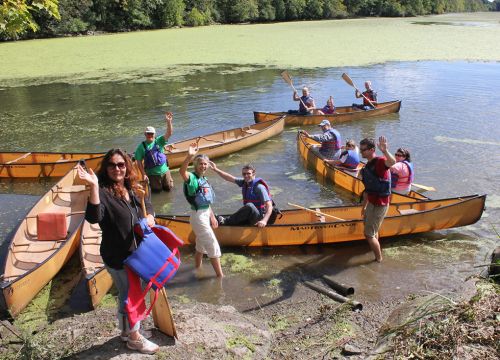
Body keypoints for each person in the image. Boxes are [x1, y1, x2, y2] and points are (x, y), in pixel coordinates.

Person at [77, 149, 159, 354]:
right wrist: (94, 185)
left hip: (136, 252)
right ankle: (134, 338)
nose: (117, 169)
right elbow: (94, 217)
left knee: (128, 293)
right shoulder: (103, 192)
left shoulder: (129, 186)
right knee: (131, 295)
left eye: (121, 164)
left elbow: (145, 202)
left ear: (127, 166)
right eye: (112, 165)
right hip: (118, 255)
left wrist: (151, 216)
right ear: (106, 168)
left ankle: (127, 331)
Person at [180, 143, 224, 278]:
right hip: (198, 216)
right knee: (212, 244)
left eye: (205, 164)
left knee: (201, 246)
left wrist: (212, 217)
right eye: (200, 164)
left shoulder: (204, 179)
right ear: (195, 165)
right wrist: (189, 156)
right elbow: (182, 172)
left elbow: (206, 201)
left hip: (205, 214)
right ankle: (220, 277)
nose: (203, 166)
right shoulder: (192, 178)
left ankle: (197, 270)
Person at [359, 136, 396, 263]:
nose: (361, 152)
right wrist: (364, 206)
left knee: (368, 234)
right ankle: (376, 247)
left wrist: (385, 150)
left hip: (381, 204)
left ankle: (378, 260)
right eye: (360, 150)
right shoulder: (367, 165)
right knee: (372, 232)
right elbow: (367, 190)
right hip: (371, 202)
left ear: (371, 149)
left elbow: (392, 162)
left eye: (363, 150)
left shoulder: (380, 161)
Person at [209, 163, 273, 228]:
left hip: (259, 218)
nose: (246, 176)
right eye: (244, 174)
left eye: (248, 173)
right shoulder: (244, 182)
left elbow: (269, 206)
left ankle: (225, 221)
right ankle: (225, 221)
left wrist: (264, 221)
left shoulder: (259, 188)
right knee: (247, 208)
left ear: (253, 174)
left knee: (249, 206)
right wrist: (216, 169)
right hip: (250, 215)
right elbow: (229, 178)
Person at [135, 112, 174, 192]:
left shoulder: (159, 141)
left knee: (169, 189)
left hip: (165, 172)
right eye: (148, 134)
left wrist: (169, 122)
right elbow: (138, 161)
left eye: (151, 134)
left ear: (154, 134)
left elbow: (169, 133)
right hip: (152, 175)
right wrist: (143, 174)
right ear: (145, 134)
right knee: (157, 192)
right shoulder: (141, 147)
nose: (150, 135)